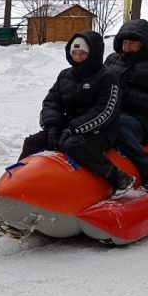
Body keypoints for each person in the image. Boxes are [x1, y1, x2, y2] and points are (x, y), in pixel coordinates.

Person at [19, 31, 134, 198]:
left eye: (83, 54)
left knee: (73, 144)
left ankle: (117, 177)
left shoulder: (107, 78)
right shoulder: (65, 75)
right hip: (68, 127)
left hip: (100, 131)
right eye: (74, 53)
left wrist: (73, 129)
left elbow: (104, 111)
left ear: (92, 54)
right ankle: (19, 180)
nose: (78, 57)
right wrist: (52, 127)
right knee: (32, 142)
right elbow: (52, 102)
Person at [103, 19, 148, 192]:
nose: (127, 47)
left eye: (132, 43)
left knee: (117, 127)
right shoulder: (112, 60)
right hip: (112, 110)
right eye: (124, 42)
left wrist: (125, 93)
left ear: (143, 44)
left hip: (144, 118)